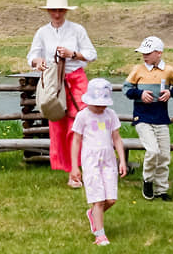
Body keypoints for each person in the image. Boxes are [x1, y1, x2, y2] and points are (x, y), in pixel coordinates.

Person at [27, 0, 97, 187]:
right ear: (48, 11)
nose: (56, 14)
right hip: (54, 83)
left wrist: (73, 54)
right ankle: (71, 170)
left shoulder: (77, 30)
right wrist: (38, 62)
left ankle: (80, 169)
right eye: (53, 10)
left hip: (76, 81)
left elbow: (92, 54)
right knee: (58, 127)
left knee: (79, 124)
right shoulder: (42, 32)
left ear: (65, 11)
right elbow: (32, 56)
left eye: (60, 10)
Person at [123, 35, 173, 201]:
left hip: (161, 117)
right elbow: (126, 88)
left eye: (148, 53)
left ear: (159, 53)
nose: (144, 56)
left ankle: (161, 190)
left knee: (164, 155)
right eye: (143, 53)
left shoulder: (168, 71)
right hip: (142, 117)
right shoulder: (138, 70)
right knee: (153, 150)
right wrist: (140, 94)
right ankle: (147, 180)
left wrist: (171, 92)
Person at [70, 78, 128, 246]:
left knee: (110, 199)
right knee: (98, 199)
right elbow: (76, 141)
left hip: (108, 160)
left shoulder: (110, 115)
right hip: (91, 161)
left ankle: (93, 214)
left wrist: (122, 161)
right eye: (97, 104)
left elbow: (117, 138)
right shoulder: (83, 116)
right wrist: (75, 167)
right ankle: (100, 235)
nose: (101, 107)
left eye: (104, 104)